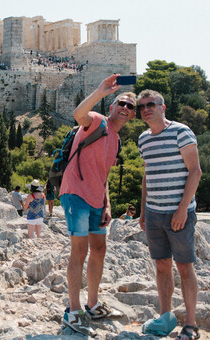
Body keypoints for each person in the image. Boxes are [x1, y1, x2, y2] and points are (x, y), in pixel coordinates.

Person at [60, 74, 136, 336]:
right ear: (112, 107)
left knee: (100, 249)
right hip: (75, 193)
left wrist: (107, 206)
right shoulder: (96, 121)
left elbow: (104, 176)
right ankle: (73, 310)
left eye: (130, 106)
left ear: (133, 115)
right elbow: (77, 113)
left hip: (96, 200)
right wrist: (101, 91)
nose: (125, 108)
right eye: (121, 104)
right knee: (79, 251)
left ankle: (92, 304)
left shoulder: (116, 140)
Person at [137, 90, 202, 340]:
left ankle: (191, 325)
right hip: (154, 213)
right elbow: (147, 175)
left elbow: (195, 171)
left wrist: (183, 208)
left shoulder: (181, 131)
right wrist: (143, 211)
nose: (146, 109)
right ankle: (165, 318)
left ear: (163, 107)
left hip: (179, 213)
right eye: (142, 106)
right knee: (161, 266)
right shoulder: (143, 139)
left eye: (151, 104)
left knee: (185, 267)